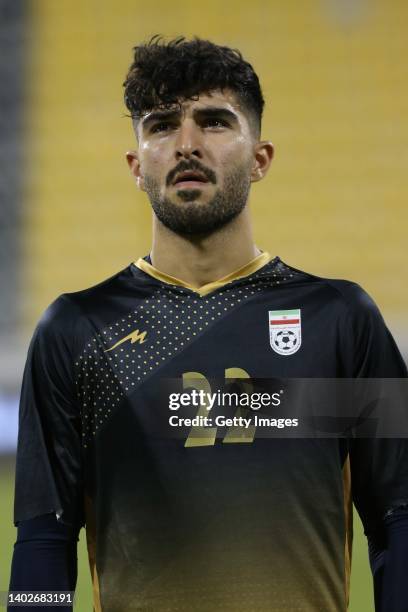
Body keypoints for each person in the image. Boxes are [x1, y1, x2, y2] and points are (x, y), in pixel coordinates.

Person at [8, 36, 408, 612]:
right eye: (162, 125)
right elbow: (44, 538)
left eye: (215, 122)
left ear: (261, 158)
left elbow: (397, 517)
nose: (187, 144)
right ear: (136, 166)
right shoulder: (75, 331)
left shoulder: (341, 320)